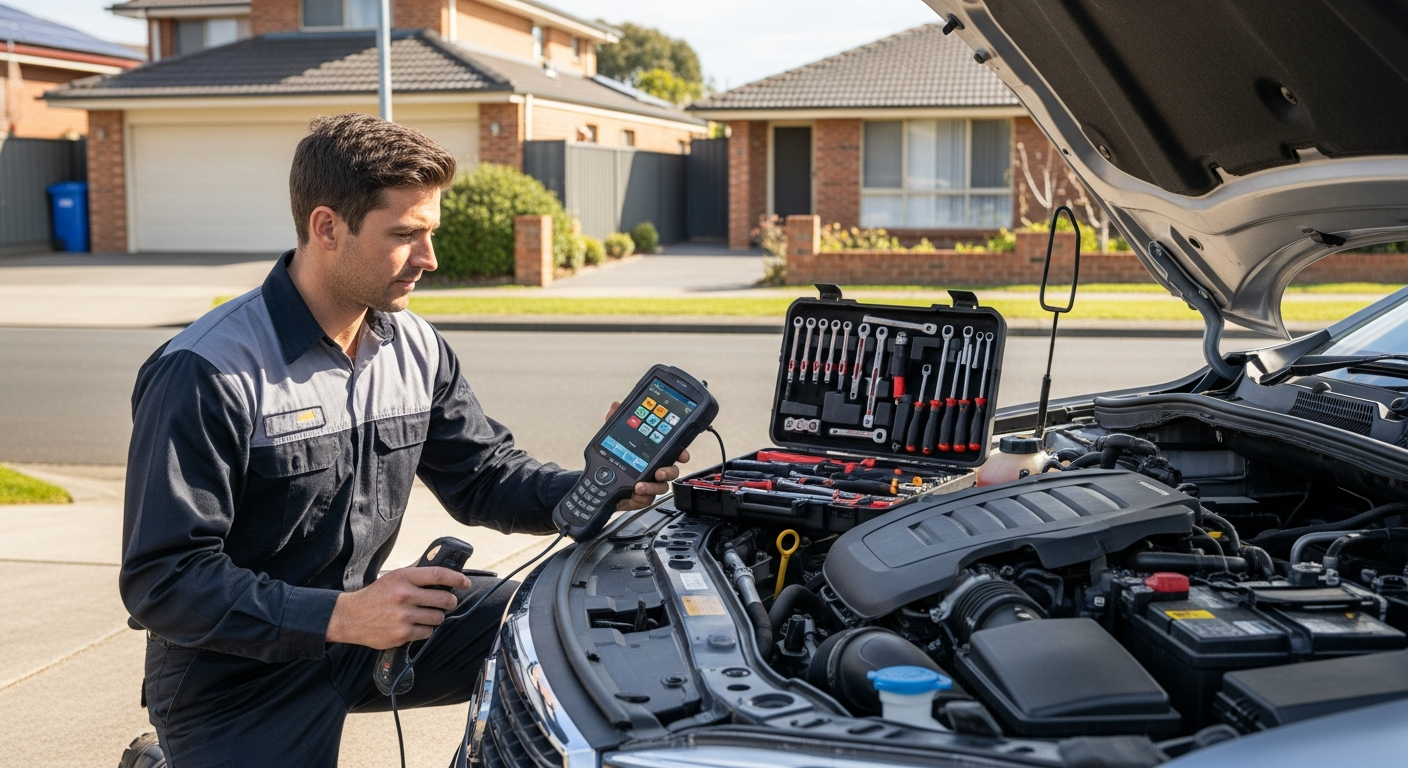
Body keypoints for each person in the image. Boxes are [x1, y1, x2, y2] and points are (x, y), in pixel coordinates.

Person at [117, 113, 686, 767]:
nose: (429, 258)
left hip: (370, 625)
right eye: (405, 235)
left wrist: (603, 487)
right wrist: (343, 616)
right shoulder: (206, 370)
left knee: (562, 622)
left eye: (430, 232)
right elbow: (164, 580)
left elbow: (484, 476)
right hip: (233, 677)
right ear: (327, 228)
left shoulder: (415, 346)